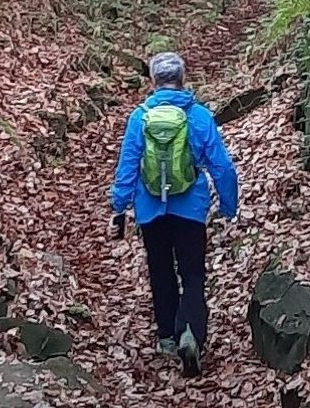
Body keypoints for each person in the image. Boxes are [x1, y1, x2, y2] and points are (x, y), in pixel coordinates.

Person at [109, 51, 239, 378]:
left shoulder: (140, 118)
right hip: (190, 208)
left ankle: (167, 336)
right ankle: (191, 332)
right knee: (193, 273)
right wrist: (227, 206)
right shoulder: (199, 117)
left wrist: (119, 207)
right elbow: (222, 167)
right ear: (182, 79)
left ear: (153, 81)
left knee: (161, 270)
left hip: (151, 209)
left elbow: (127, 168)